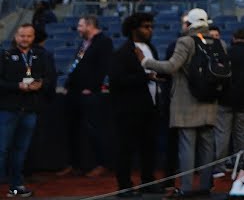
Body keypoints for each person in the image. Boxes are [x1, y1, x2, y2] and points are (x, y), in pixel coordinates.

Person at [141, 9, 222, 197]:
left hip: (186, 102)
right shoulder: (218, 42)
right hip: (210, 100)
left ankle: (186, 187)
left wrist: (146, 61)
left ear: (189, 24)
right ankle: (205, 186)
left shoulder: (185, 42)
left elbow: (171, 67)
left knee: (187, 146)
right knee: (207, 146)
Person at [0, 23, 55, 198]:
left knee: (20, 150)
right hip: (8, 109)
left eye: (29, 36)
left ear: (33, 37)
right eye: (22, 36)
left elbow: (49, 77)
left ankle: (16, 186)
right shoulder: (5, 55)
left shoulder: (40, 55)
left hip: (30, 110)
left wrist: (41, 84)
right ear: (16, 36)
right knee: (2, 149)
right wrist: (17, 86)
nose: (25, 39)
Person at [108, 12, 160, 197]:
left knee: (149, 148)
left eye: (151, 26)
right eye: (146, 26)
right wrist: (144, 77)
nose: (150, 30)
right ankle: (125, 185)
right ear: (133, 29)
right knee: (126, 149)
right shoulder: (122, 52)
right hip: (129, 110)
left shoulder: (151, 48)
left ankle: (148, 181)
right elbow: (117, 80)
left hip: (150, 107)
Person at [61, 15, 111, 178]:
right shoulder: (83, 43)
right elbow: (78, 65)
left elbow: (103, 67)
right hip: (74, 92)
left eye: (80, 25)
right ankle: (74, 164)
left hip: (90, 94)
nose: (78, 28)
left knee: (93, 130)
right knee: (72, 129)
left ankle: (101, 163)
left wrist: (92, 87)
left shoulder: (103, 42)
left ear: (90, 26)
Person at [215, 28, 244, 176]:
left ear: (233, 38)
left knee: (222, 134)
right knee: (240, 134)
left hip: (225, 99)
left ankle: (219, 168)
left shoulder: (226, 53)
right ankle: (241, 166)